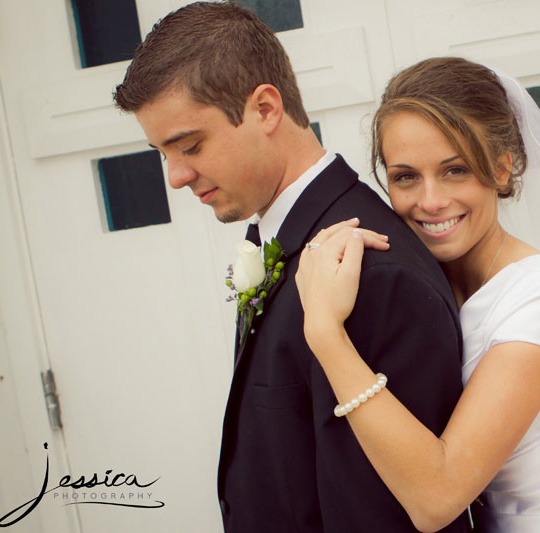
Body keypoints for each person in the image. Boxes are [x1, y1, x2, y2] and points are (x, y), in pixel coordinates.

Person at [113, 4, 470, 532]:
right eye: (161, 154)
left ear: (264, 109)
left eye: (189, 146)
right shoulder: (282, 239)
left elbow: (380, 515)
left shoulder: (376, 274)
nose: (176, 176)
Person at [296, 57, 540, 532]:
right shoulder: (426, 294)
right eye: (406, 176)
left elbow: (438, 498)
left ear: (501, 169)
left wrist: (326, 333)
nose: (430, 200)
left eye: (455, 170)